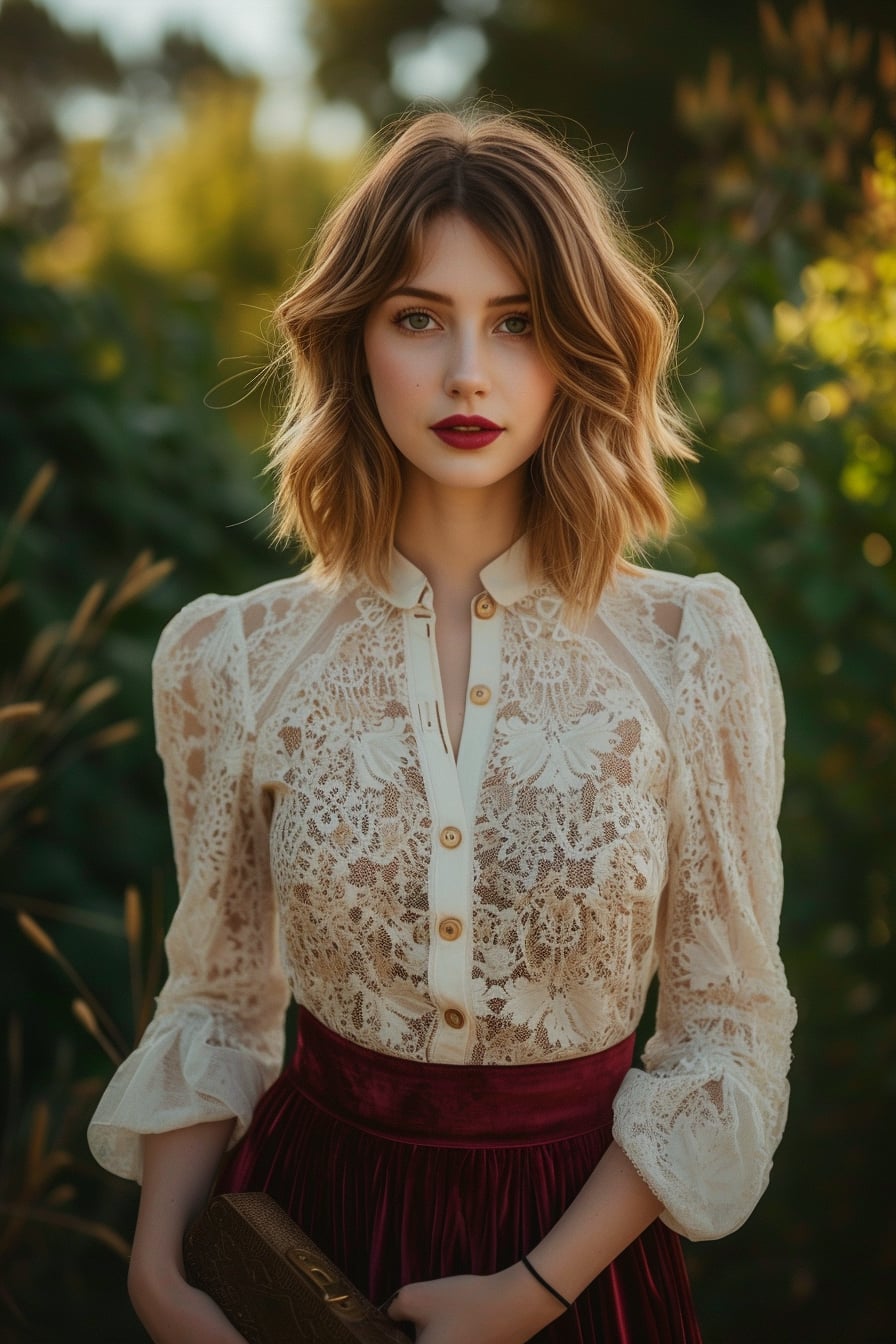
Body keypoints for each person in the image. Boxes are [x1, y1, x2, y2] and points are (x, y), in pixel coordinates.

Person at [87, 108, 797, 1344]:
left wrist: (527, 1294)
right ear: (353, 339)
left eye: (515, 321)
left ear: (577, 349)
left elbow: (723, 1033)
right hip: (305, 1241)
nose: (468, 369)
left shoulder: (691, 653)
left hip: (578, 1262)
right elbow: (212, 1002)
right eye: (419, 317)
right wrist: (160, 1275)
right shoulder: (236, 658)